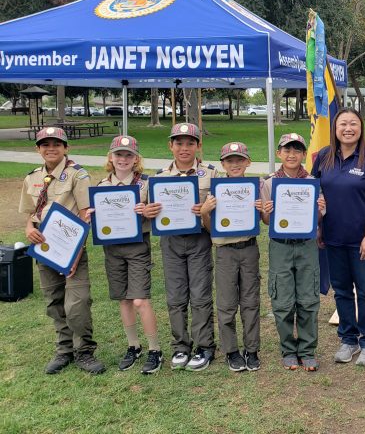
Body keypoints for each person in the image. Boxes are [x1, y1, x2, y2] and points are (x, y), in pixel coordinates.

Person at [19, 127, 106, 374]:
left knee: (77, 303)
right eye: (45, 145)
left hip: (70, 249)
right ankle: (64, 350)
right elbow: (31, 214)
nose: (51, 148)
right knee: (54, 300)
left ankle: (85, 351)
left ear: (66, 148)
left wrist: (76, 254)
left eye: (56, 144)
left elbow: (85, 215)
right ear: (38, 150)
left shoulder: (78, 175)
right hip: (43, 247)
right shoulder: (32, 177)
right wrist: (28, 229)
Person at [311, 108, 365, 367]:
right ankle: (348, 339)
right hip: (332, 237)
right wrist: (319, 228)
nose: (348, 128)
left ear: (361, 127)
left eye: (353, 123)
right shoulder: (323, 157)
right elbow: (315, 195)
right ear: (335, 128)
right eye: (343, 123)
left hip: (362, 239)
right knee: (341, 291)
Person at [91, 135, 162, 374]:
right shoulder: (101, 187)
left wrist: (148, 210)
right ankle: (133, 345)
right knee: (123, 299)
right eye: (118, 154)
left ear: (136, 159)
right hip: (112, 248)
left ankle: (155, 349)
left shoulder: (145, 184)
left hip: (137, 246)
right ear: (111, 157)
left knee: (140, 299)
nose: (123, 159)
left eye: (128, 155)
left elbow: (158, 213)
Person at [155, 123, 219, 371]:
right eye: (179, 143)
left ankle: (204, 347)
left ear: (198, 146)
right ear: (170, 145)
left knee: (201, 294)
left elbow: (221, 213)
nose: (184, 148)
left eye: (190, 142)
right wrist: (150, 212)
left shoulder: (210, 174)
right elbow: (151, 213)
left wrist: (206, 211)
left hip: (199, 240)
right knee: (175, 296)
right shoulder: (159, 177)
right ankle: (181, 346)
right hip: (170, 242)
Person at [259, 133, 324, 372]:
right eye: (287, 150)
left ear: (304, 154)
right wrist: (267, 211)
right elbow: (266, 221)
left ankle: (307, 350)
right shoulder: (268, 183)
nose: (292, 154)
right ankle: (288, 349)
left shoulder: (313, 182)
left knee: (308, 299)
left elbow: (317, 219)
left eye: (297, 150)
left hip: (306, 245)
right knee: (283, 300)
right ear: (279, 153)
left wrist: (319, 210)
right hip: (281, 246)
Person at [200, 142, 261, 373]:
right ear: (223, 164)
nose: (235, 164)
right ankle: (231, 350)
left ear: (248, 162)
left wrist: (261, 207)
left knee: (250, 301)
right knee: (226, 303)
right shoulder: (215, 190)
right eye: (230, 161)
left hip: (248, 248)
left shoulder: (254, 186)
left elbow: (264, 217)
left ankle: (252, 349)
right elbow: (209, 228)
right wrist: (206, 212)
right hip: (225, 251)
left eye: (239, 160)